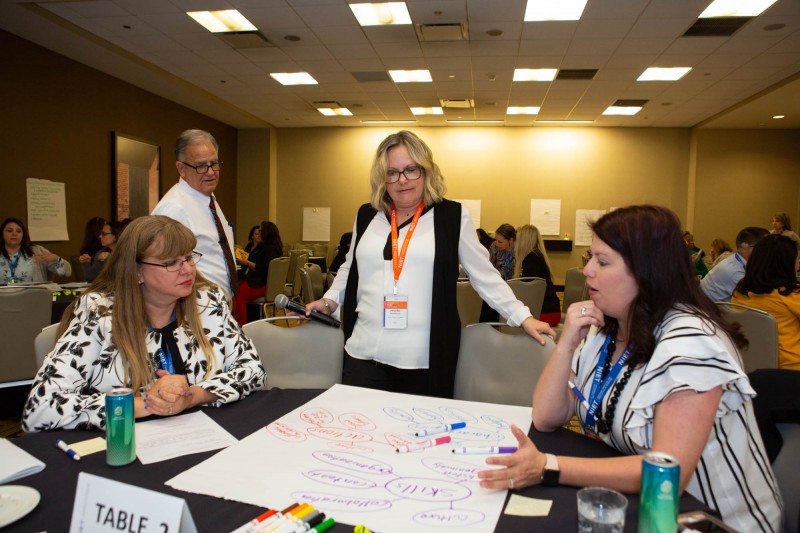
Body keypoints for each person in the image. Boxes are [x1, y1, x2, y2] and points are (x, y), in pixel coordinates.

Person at [476, 205, 781, 532]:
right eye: (590, 258)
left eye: (603, 262)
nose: (588, 270)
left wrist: (548, 466)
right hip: (637, 505)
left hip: (708, 519)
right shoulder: (607, 322)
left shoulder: (692, 344)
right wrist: (566, 344)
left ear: (647, 271)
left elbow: (666, 472)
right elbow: (548, 416)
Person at [302, 131, 554, 398]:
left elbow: (485, 277)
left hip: (423, 363)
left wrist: (522, 316)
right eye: (392, 172)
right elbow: (350, 268)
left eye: (411, 170)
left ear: (426, 171)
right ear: (381, 177)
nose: (402, 180)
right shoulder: (367, 215)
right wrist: (329, 301)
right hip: (363, 354)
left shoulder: (452, 217)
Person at [22, 216, 266, 432]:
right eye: (171, 262)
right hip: (123, 447)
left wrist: (191, 397)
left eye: (189, 257)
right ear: (136, 271)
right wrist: (144, 404)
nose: (188, 269)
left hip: (201, 438)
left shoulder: (208, 301)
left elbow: (253, 370)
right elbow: (40, 409)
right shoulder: (98, 314)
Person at [152, 129, 238, 299]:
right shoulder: (173, 209)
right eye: (200, 166)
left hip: (218, 306)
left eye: (214, 163)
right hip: (195, 309)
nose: (211, 172)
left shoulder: (208, 198)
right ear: (181, 168)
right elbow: (161, 271)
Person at [732, 234, 800, 370]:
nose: (798, 263)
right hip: (791, 367)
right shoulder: (790, 295)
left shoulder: (740, 291)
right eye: (797, 259)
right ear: (785, 264)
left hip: (750, 365)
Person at [233, 221, 284, 324]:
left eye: (261, 231)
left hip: (261, 284)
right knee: (233, 287)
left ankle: (241, 326)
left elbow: (261, 269)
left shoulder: (270, 249)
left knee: (238, 295)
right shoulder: (270, 247)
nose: (259, 233)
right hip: (263, 283)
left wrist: (247, 262)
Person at [701, 226, 769, 302]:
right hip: (710, 310)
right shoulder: (736, 272)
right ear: (745, 246)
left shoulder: (734, 259)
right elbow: (755, 303)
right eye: (765, 247)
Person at [513, 224, 561, 326]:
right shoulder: (536, 256)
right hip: (551, 311)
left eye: (517, 240)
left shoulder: (532, 260)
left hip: (545, 313)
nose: (515, 243)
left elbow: (527, 293)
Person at [0, 217, 71, 284]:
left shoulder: (37, 251)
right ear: (2, 234)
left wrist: (56, 259)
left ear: (23, 235)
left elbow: (66, 273)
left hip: (31, 295)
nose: (14, 234)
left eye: (18, 231)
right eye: (9, 231)